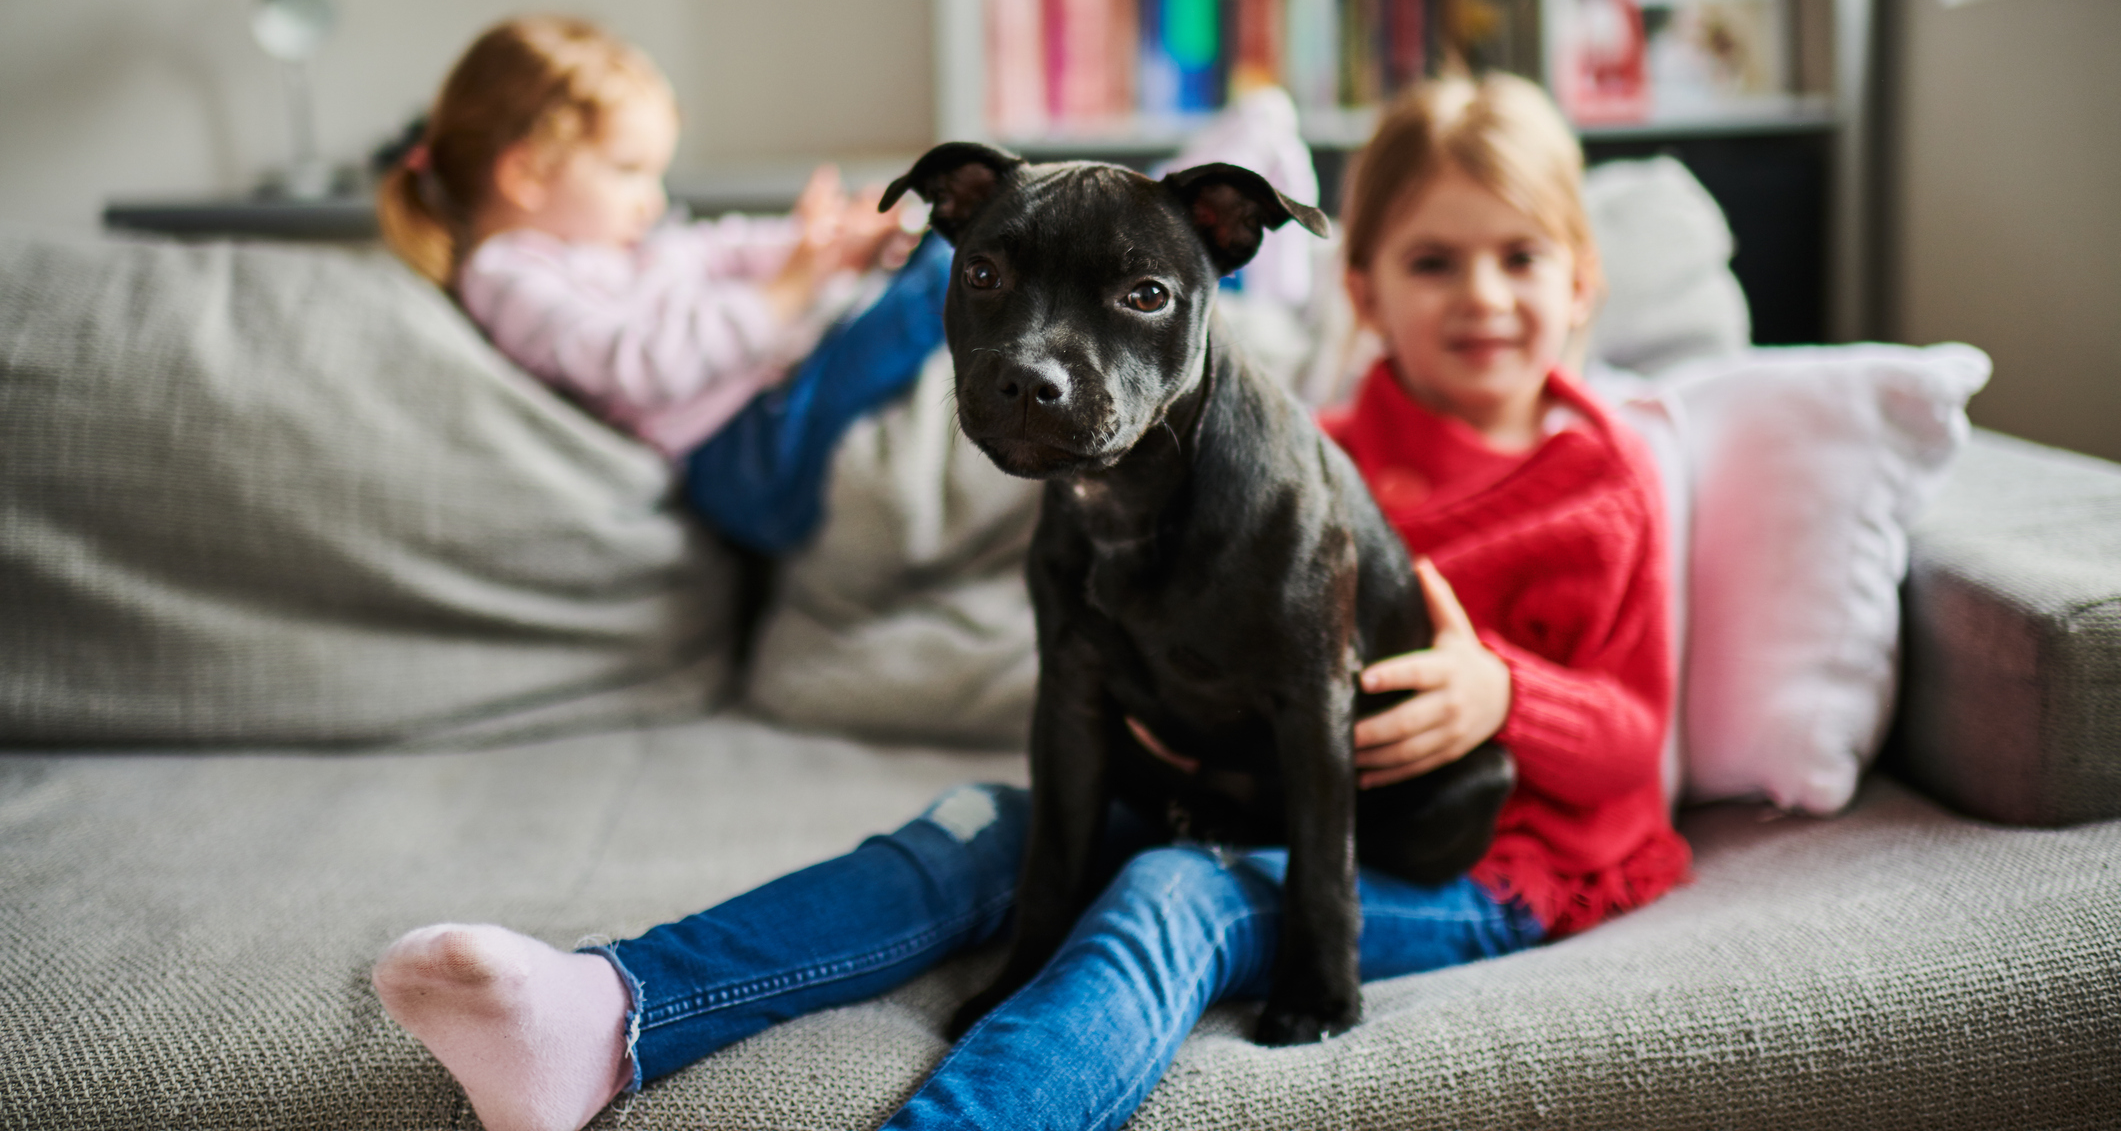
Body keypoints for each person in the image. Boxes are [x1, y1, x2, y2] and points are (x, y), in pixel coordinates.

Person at [370, 72, 1690, 1131]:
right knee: (973, 829)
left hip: (1478, 852)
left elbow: (1641, 732)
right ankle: (606, 1005)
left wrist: (1503, 691)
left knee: (1173, 892)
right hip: (1228, 793)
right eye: (1436, 262)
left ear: (1581, 283)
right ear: (1361, 287)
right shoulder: (1297, 445)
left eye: (1520, 259)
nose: (1481, 296)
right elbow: (1085, 685)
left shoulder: (1599, 479)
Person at [376, 15, 948, 554]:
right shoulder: (508, 277)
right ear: (526, 174)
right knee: (945, 273)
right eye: (628, 171)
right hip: (742, 460)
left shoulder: (616, 245)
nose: (654, 200)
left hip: (766, 408)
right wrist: (785, 295)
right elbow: (639, 363)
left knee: (927, 259)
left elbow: (717, 249)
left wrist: (821, 245)